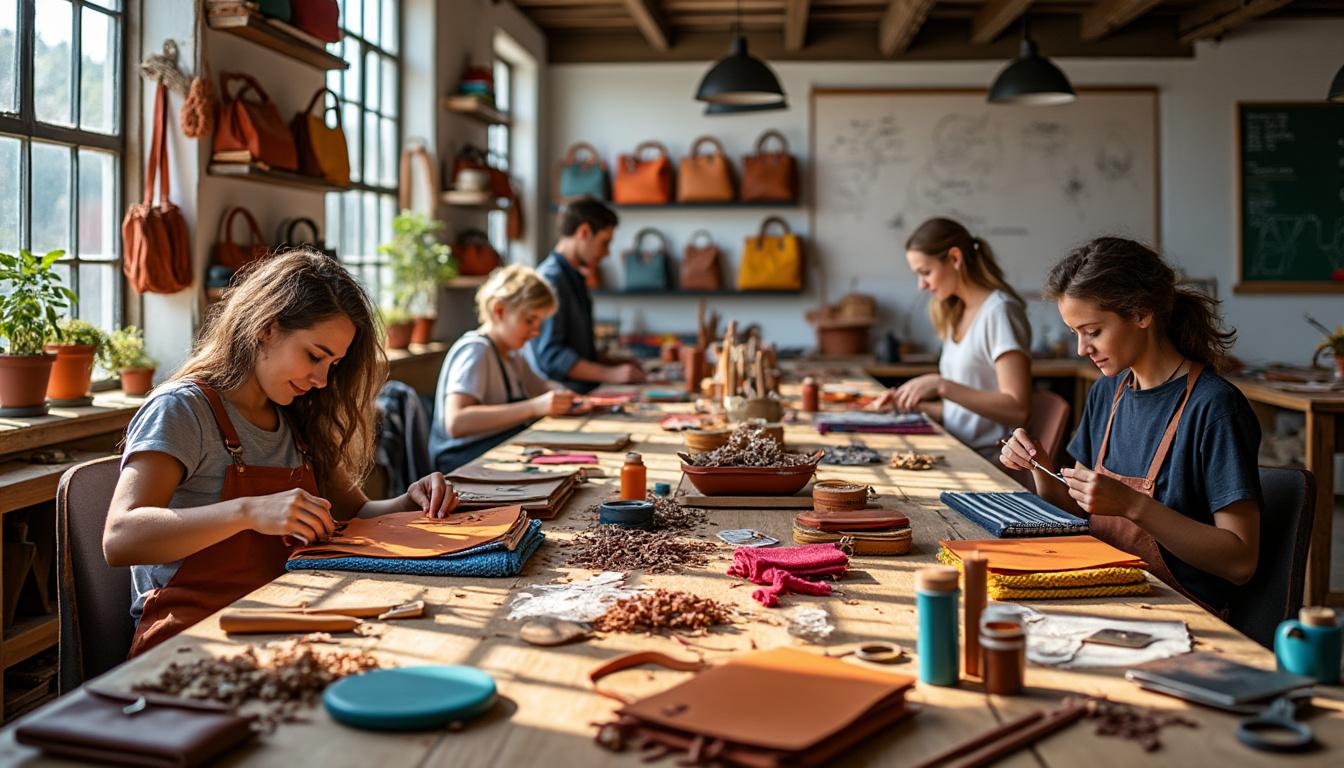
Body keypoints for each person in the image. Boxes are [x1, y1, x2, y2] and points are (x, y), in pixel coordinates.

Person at [104, 250, 460, 656]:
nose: (323, 380)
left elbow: (357, 513)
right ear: (266, 328)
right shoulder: (183, 409)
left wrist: (410, 500)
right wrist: (248, 511)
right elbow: (120, 537)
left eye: (334, 364)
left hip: (291, 618)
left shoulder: (297, 415)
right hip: (195, 638)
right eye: (314, 356)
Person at [1000, 237, 1261, 613]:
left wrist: (1133, 506)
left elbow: (1240, 562)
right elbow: (1079, 513)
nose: (1081, 349)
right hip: (1106, 590)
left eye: (1093, 331)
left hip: (1181, 610)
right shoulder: (1108, 392)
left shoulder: (1214, 407)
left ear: (1141, 314)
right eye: (1075, 333)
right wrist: (1039, 466)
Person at [873, 218, 1032, 466]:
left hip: (988, 463)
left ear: (955, 258)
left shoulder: (1000, 311)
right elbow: (961, 416)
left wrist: (941, 385)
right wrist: (910, 405)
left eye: (925, 272)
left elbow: (1017, 408)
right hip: (957, 449)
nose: (921, 285)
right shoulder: (956, 313)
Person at [431, 265, 575, 472]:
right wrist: (534, 407)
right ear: (499, 310)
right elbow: (456, 422)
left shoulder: (513, 354)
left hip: (494, 453)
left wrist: (567, 396)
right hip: (462, 463)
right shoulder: (475, 350)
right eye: (529, 320)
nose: (536, 331)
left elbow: (542, 388)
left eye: (540, 323)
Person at [527, 197, 645, 394]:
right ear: (584, 232)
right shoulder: (551, 281)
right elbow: (552, 357)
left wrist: (612, 363)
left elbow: (576, 351)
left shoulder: (574, 277)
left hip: (579, 394)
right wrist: (612, 374)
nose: (607, 253)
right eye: (604, 243)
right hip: (560, 397)